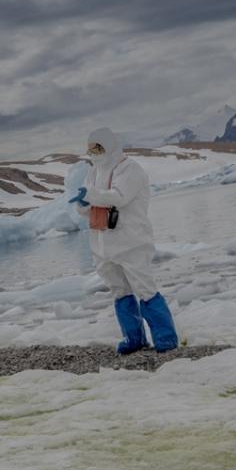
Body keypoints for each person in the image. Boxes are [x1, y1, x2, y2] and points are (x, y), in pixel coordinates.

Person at [69, 128, 178, 354]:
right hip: (102, 243)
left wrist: (89, 195)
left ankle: (165, 339)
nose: (94, 152)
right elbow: (86, 209)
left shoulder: (130, 168)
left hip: (131, 242)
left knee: (145, 289)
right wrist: (82, 203)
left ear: (110, 145)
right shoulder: (93, 172)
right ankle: (133, 338)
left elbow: (119, 196)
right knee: (119, 291)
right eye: (91, 148)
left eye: (98, 147)